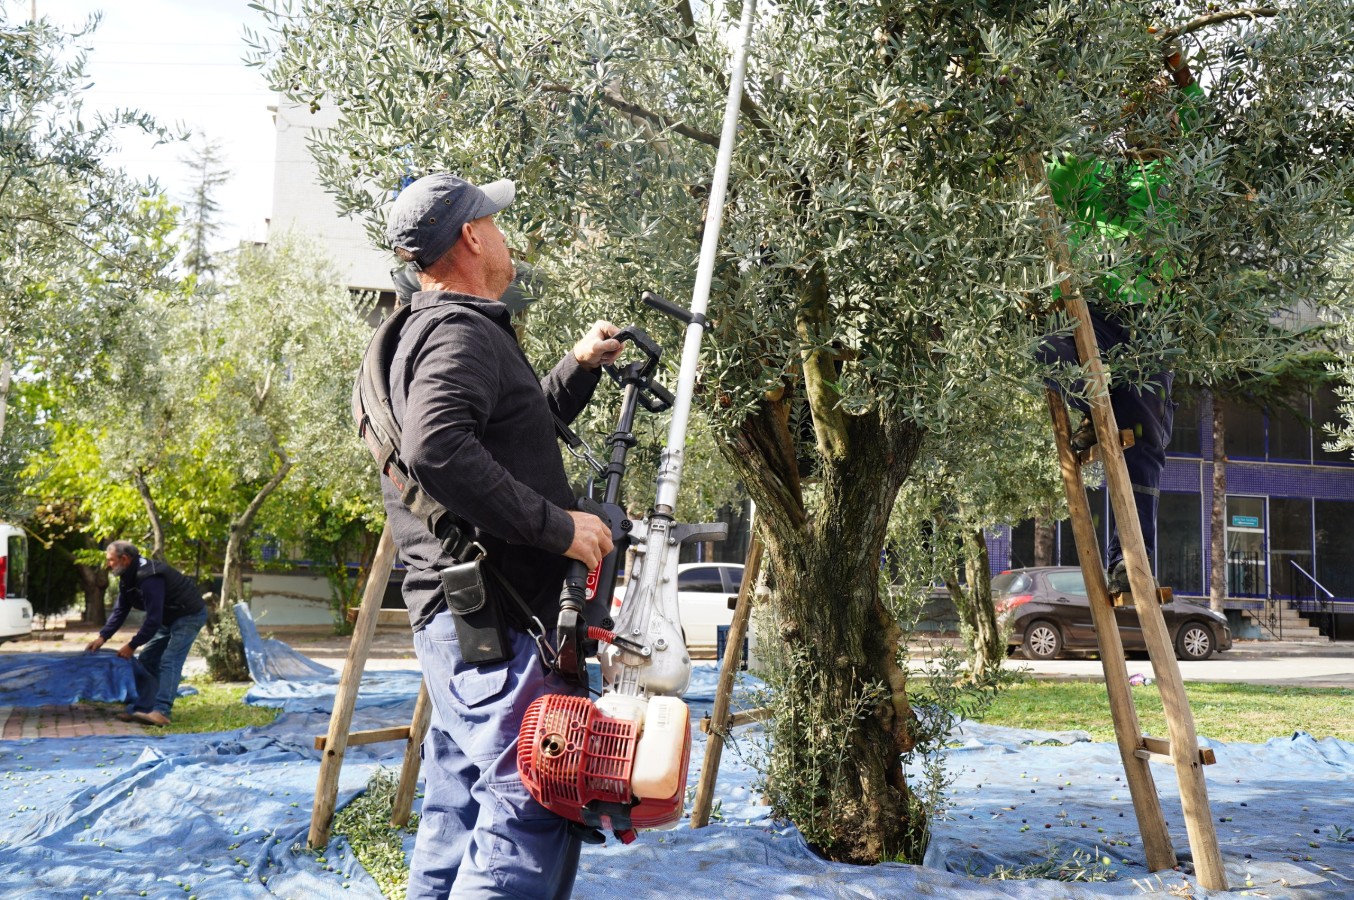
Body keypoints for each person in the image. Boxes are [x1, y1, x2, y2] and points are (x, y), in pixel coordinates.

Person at [381, 172, 620, 899]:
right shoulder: (461, 332)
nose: (506, 235)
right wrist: (561, 529)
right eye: (497, 221)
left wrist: (576, 369)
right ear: (473, 236)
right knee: (530, 794)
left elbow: (502, 434)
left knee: (454, 810)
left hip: (459, 625)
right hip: (502, 624)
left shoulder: (415, 334)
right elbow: (438, 448)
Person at [1038, 45, 1203, 596]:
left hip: (1154, 321)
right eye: (1140, 119)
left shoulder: (1181, 176)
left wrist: (1180, 76)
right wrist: (1094, 100)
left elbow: (1215, 142)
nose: (1151, 128)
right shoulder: (1095, 178)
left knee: (1145, 441)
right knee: (1040, 341)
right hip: (1098, 314)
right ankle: (1093, 407)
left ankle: (1130, 566)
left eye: (1159, 118)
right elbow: (1055, 174)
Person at [85, 541, 208, 726]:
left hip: (188, 615)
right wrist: (102, 637)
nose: (107, 565)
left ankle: (162, 712)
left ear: (124, 559)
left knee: (170, 659)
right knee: (148, 659)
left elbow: (153, 620)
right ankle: (142, 708)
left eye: (110, 560)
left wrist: (132, 645)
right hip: (168, 617)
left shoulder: (149, 576)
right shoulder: (127, 578)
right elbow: (121, 611)